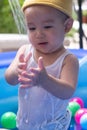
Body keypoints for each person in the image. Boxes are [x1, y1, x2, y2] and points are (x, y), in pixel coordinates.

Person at [5, 0, 79, 130]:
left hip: (54, 125)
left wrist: (45, 80)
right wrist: (15, 71)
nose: (39, 34)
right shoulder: (24, 51)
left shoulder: (68, 60)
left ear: (66, 26)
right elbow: (9, 79)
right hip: (25, 123)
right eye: (32, 28)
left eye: (47, 27)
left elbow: (67, 91)